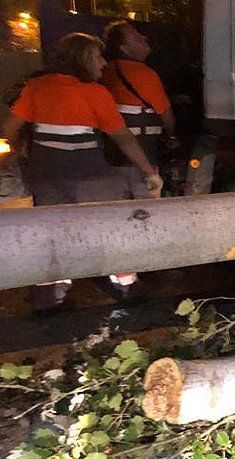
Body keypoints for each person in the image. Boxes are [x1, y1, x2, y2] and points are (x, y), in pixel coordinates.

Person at [0, 32, 162, 311]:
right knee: (109, 225)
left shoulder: (37, 87)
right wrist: (150, 172)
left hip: (46, 175)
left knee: (52, 231)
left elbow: (8, 128)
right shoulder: (95, 93)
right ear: (84, 58)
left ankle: (49, 295)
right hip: (90, 174)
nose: (103, 63)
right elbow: (122, 137)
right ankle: (126, 285)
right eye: (98, 56)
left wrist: (22, 151)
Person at [101, 20, 177, 166]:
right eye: (136, 38)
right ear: (124, 48)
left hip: (112, 151)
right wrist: (172, 137)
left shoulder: (107, 70)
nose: (144, 38)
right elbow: (167, 116)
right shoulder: (144, 74)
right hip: (142, 151)